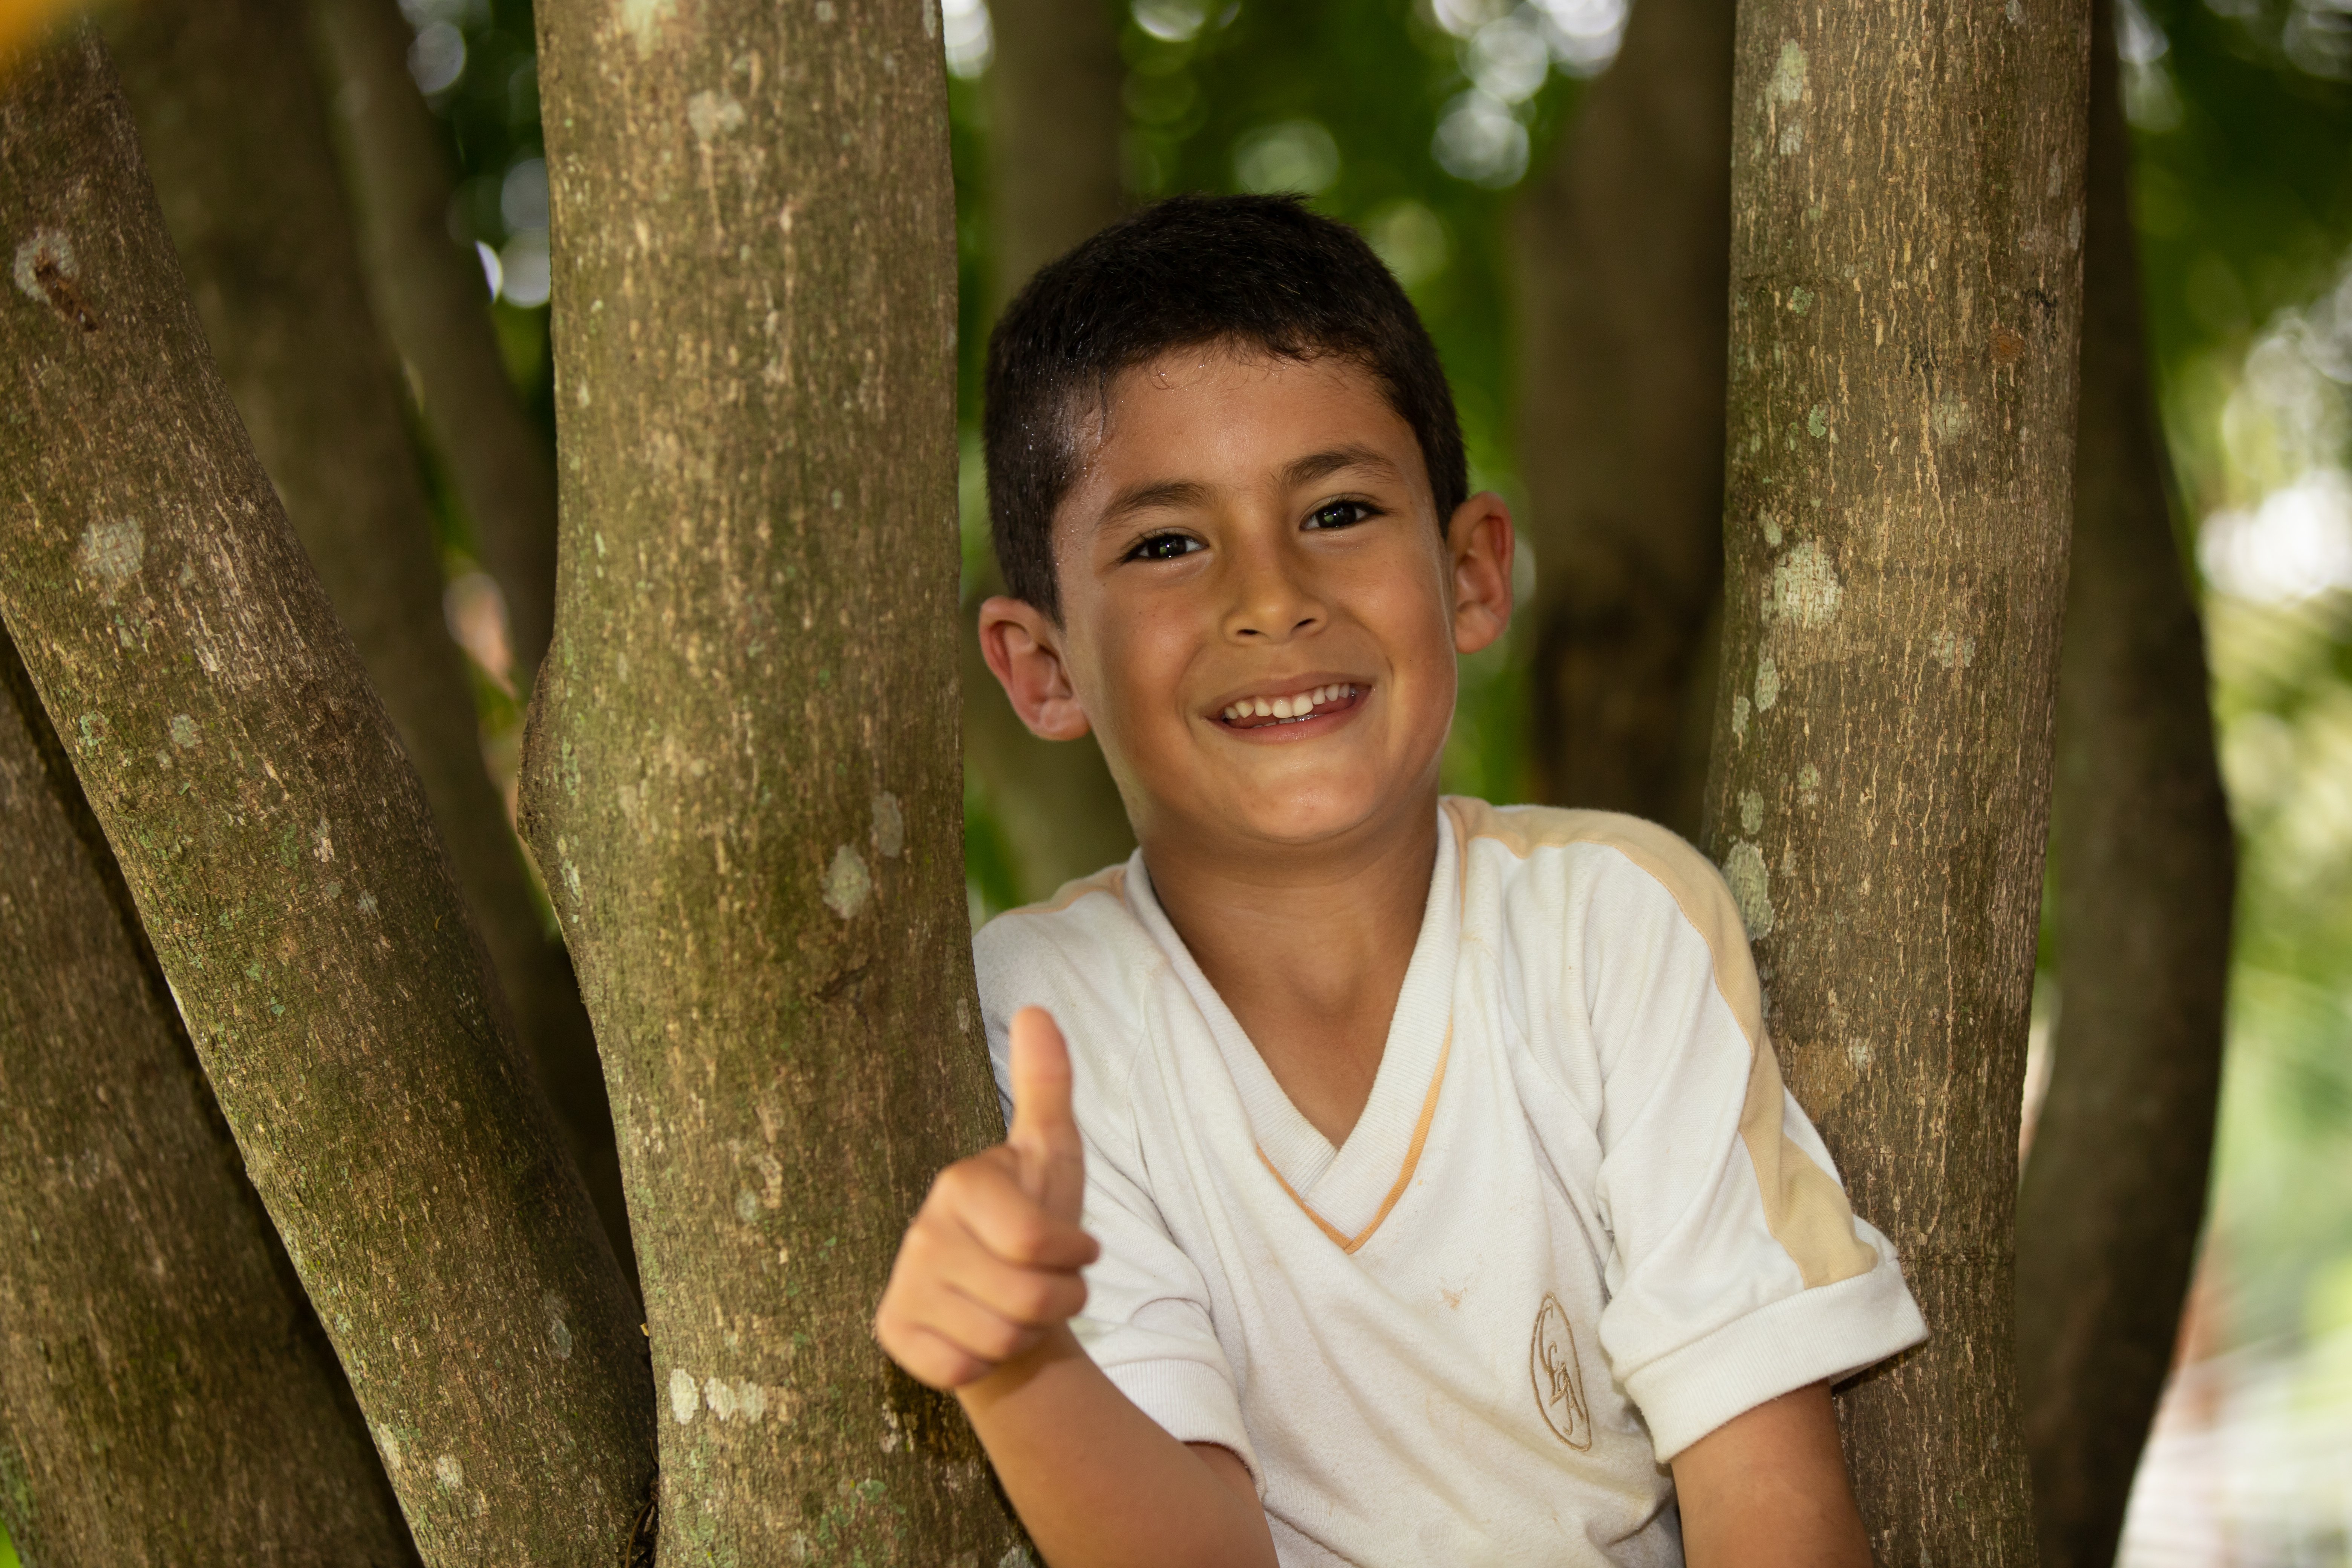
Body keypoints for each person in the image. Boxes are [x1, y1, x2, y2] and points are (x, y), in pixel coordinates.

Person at [873, 194, 1925, 1566]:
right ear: (1042, 666)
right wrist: (1017, 1367)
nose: (1272, 595)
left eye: (1341, 509)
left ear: (1474, 572)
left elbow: (1770, 1507)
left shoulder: (1612, 927)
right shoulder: (1036, 1020)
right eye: (1168, 543)